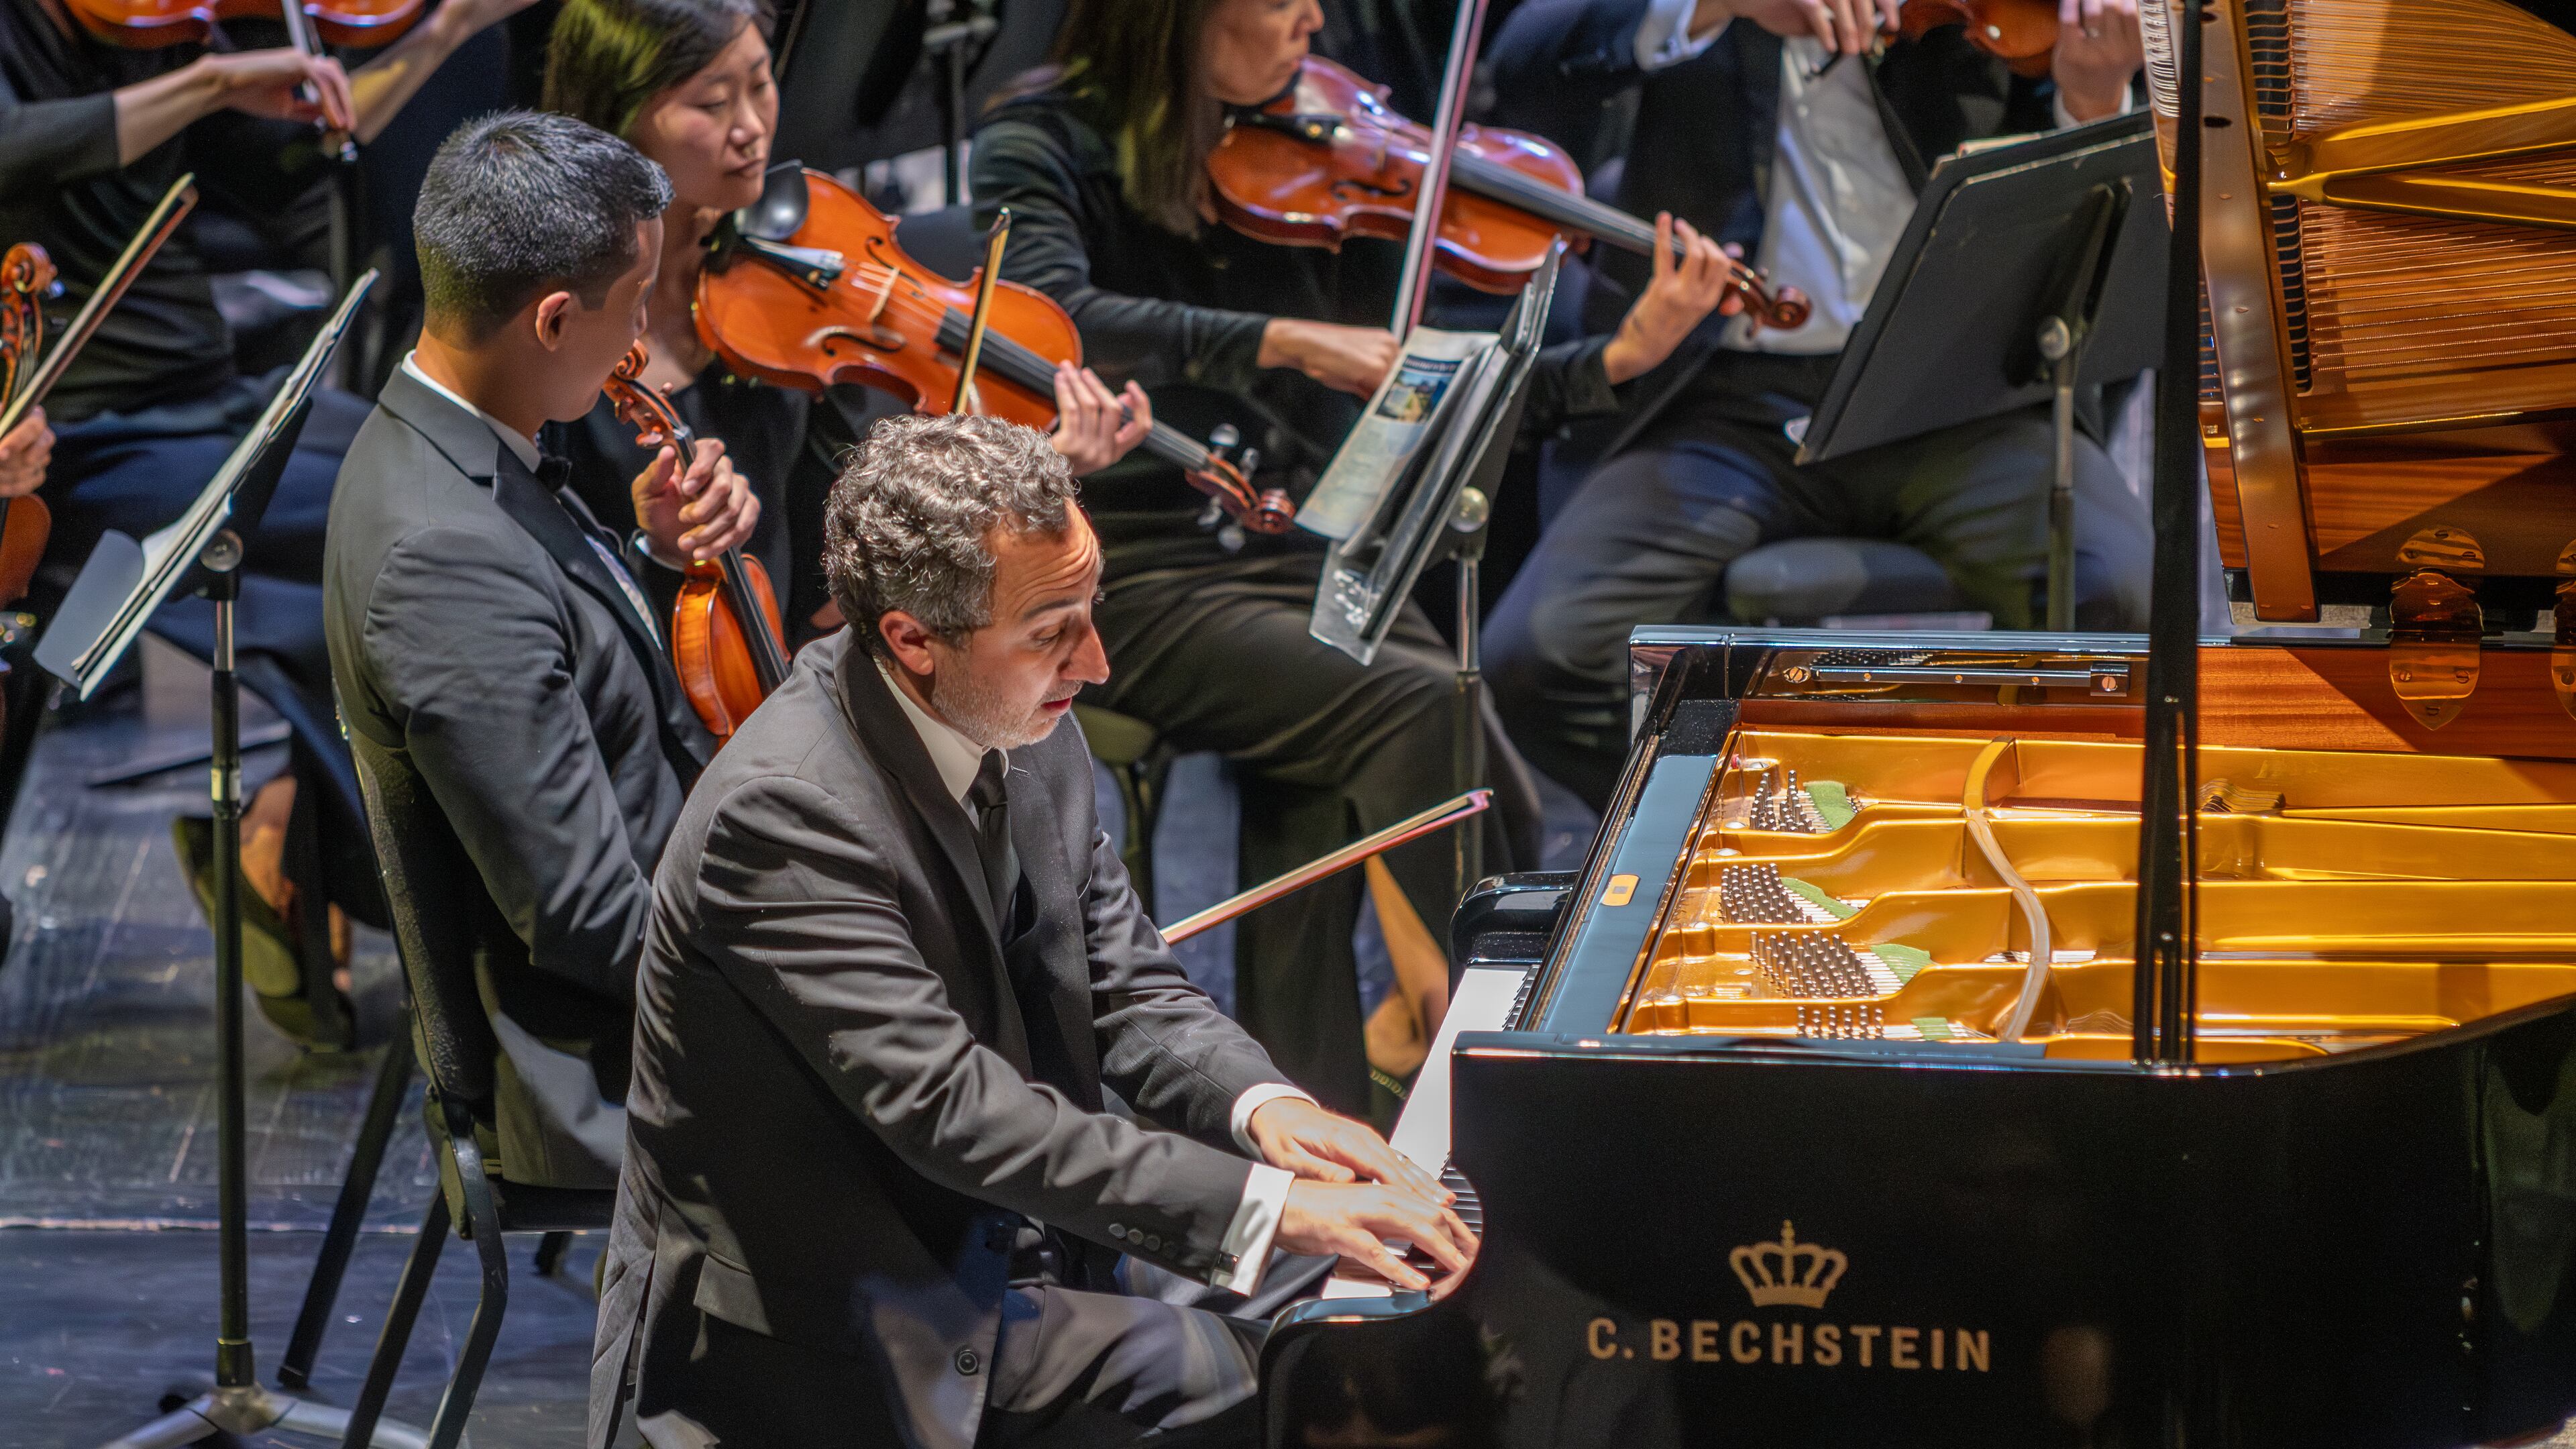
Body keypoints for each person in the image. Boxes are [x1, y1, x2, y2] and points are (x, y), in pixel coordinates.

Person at [589, 411, 1477, 1447]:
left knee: (1369, 1343)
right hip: (851, 1329)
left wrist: (1265, 1111)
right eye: (1053, 632)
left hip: (1013, 1245)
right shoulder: (786, 813)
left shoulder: (1023, 721)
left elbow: (1122, 981)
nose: (1095, 664)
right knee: (1304, 1393)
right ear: (911, 640)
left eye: (1091, 613)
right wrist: (1270, 1209)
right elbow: (953, 1110)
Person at [971, 0, 1742, 1116]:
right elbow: (1060, 325)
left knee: (1333, 766)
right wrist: (1278, 341)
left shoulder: (1303, 148)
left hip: (1284, 540)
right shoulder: (1041, 142)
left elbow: (1407, 388)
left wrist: (1610, 362)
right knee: (1425, 716)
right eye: (1284, 1)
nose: (1316, 19)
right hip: (1116, 567)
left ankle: (1318, 1116)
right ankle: (1523, 1076)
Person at [0, 0, 546, 1044]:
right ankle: (327, 858)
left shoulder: (153, 33)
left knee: (459, 472)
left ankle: (297, 843)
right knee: (390, 544)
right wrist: (208, 84)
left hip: (211, 390)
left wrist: (437, 35)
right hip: (91, 437)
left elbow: (291, 166)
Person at [1481, 0, 2155, 807]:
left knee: (2123, 602)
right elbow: (1523, 64)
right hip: (1727, 407)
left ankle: (2005, 825)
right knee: (1543, 654)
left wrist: (2090, 96)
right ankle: (1733, 831)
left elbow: (2061, 196)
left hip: (1957, 390)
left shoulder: (1971, 25)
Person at [325, 110, 758, 1187]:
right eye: (639, 304)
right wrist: (811, 976)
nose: (648, 342)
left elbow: (570, 674)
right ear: (556, 320)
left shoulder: (458, 444)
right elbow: (584, 914)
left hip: (678, 926)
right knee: (994, 1110)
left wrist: (649, 561)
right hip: (618, 1066)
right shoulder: (443, 557)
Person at [540, 0, 1156, 635]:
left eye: (759, 84)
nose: (751, 126)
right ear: (615, 120)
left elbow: (837, 574)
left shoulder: (796, 286)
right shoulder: (561, 328)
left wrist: (1013, 484)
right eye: (712, 104)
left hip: (794, 653)